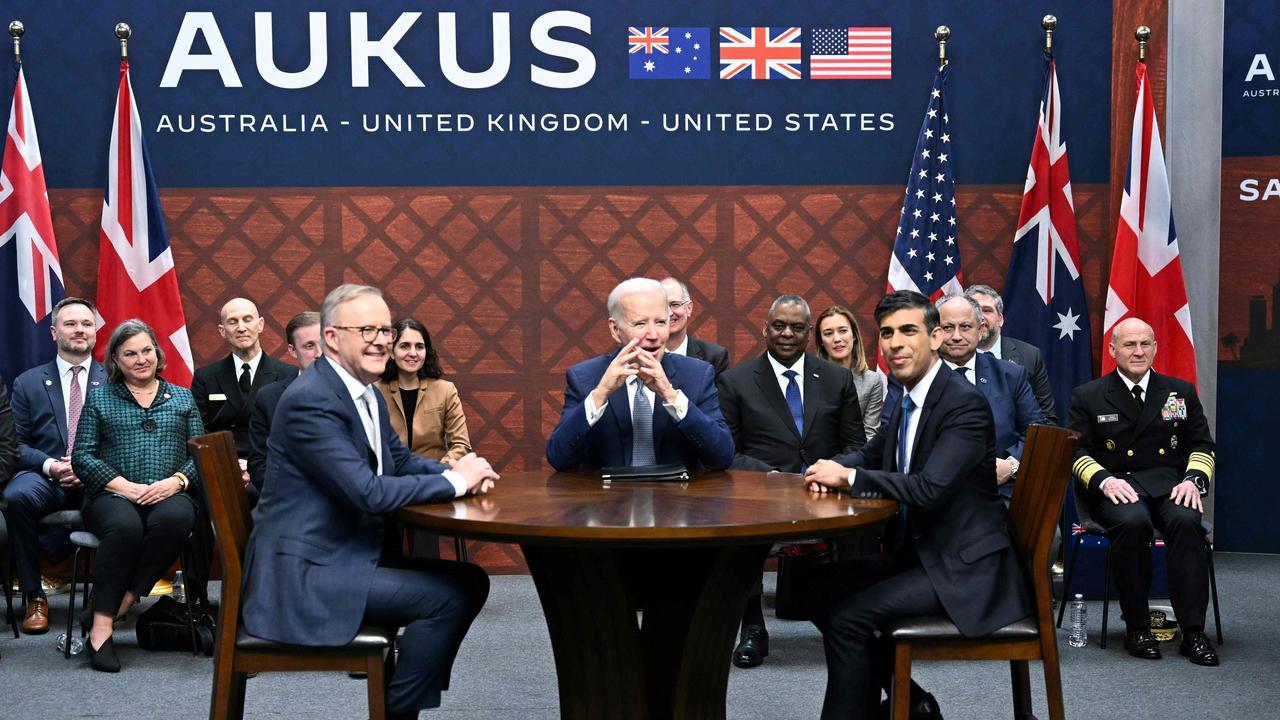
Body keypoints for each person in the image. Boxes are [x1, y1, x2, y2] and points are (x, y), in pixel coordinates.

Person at [241, 284, 498, 719]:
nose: (382, 339)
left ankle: (399, 705)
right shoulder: (311, 401)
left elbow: (397, 460)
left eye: (386, 329)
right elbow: (368, 492)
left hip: (341, 554)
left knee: (471, 581)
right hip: (302, 576)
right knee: (447, 598)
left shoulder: (363, 392)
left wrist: (464, 476)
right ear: (332, 338)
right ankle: (397, 712)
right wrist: (455, 482)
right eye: (367, 329)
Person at [800, 290, 1032, 720]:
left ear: (937, 337)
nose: (895, 343)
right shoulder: (906, 397)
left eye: (909, 330)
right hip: (923, 554)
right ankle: (912, 701)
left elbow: (929, 489)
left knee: (849, 619)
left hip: (965, 568)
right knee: (809, 589)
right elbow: (871, 456)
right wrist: (823, 469)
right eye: (887, 333)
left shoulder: (963, 404)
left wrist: (848, 479)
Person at [717, 295, 864, 668]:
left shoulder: (836, 378)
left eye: (797, 327)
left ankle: (852, 624)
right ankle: (752, 628)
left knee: (864, 524)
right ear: (765, 329)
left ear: (808, 334)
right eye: (779, 325)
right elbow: (726, 453)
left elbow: (856, 446)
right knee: (738, 531)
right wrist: (773, 479)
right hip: (762, 494)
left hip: (825, 489)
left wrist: (829, 470)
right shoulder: (735, 382)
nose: (787, 333)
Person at [1068, 317, 1219, 666]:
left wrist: (1193, 480)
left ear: (1155, 347)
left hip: (1170, 485)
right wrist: (1104, 480)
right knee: (1133, 523)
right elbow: (1075, 451)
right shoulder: (1089, 395)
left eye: (1145, 344)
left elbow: (1202, 445)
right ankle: (1137, 627)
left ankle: (1193, 631)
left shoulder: (1180, 391)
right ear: (1113, 349)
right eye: (1129, 345)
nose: (1138, 352)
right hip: (1117, 488)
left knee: (1186, 522)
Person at [71, 319, 205, 673]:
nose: (141, 359)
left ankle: (120, 603)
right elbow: (82, 456)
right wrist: (123, 486)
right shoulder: (100, 398)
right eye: (130, 353)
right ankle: (101, 629)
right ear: (116, 359)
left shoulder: (182, 396)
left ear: (157, 353)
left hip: (168, 492)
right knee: (126, 528)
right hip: (112, 495)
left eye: (147, 350)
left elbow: (199, 455)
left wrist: (176, 482)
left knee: (177, 519)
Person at [546, 278, 733, 472]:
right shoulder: (585, 377)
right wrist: (600, 394)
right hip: (608, 499)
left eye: (661, 322)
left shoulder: (697, 375)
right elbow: (559, 459)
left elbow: (722, 457)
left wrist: (671, 396)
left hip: (677, 498)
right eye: (640, 323)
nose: (653, 334)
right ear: (615, 329)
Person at [2, 298, 107, 634]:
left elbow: (123, 442)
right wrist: (51, 466)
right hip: (46, 478)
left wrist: (88, 467)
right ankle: (34, 596)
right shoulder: (28, 382)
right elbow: (15, 444)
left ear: (95, 331)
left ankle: (105, 596)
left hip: (99, 478)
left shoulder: (115, 380)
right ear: (53, 332)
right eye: (70, 324)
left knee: (123, 505)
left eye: (86, 324)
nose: (79, 330)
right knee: (16, 497)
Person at [934, 294, 1045, 496]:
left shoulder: (1010, 375)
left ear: (980, 330)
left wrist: (1011, 465)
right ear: (935, 333)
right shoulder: (915, 377)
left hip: (999, 492)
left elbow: (1036, 430)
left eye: (966, 327)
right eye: (948, 328)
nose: (956, 336)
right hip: (936, 492)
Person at [192, 297, 298, 465]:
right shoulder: (205, 377)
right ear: (222, 330)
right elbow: (201, 434)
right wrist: (230, 465)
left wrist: (254, 466)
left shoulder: (288, 374)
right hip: (223, 469)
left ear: (260, 324)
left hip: (270, 469)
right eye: (233, 322)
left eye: (247, 320)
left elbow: (292, 433)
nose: (241, 328)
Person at [246, 311, 323, 505]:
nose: (319, 354)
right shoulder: (269, 398)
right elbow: (258, 464)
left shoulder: (355, 394)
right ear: (292, 350)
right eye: (309, 346)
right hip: (288, 502)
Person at [376, 317, 472, 463]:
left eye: (419, 347)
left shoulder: (445, 390)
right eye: (405, 346)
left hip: (435, 477)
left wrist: (438, 472)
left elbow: (461, 445)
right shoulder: (374, 392)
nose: (413, 353)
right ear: (392, 352)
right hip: (391, 480)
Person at [965, 284, 1058, 425]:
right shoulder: (950, 355)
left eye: (987, 310)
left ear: (1000, 319)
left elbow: (1047, 419)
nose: (981, 317)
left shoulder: (1030, 356)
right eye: (975, 311)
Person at [815, 304, 885, 439]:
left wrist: (848, 461)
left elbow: (869, 435)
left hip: (855, 457)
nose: (837, 339)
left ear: (854, 336)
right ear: (822, 342)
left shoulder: (872, 381)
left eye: (843, 331)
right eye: (828, 333)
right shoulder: (808, 377)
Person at [660, 277, 730, 376]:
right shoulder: (643, 356)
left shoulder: (714, 357)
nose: (669, 313)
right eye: (662, 305)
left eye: (675, 304)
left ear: (689, 308)